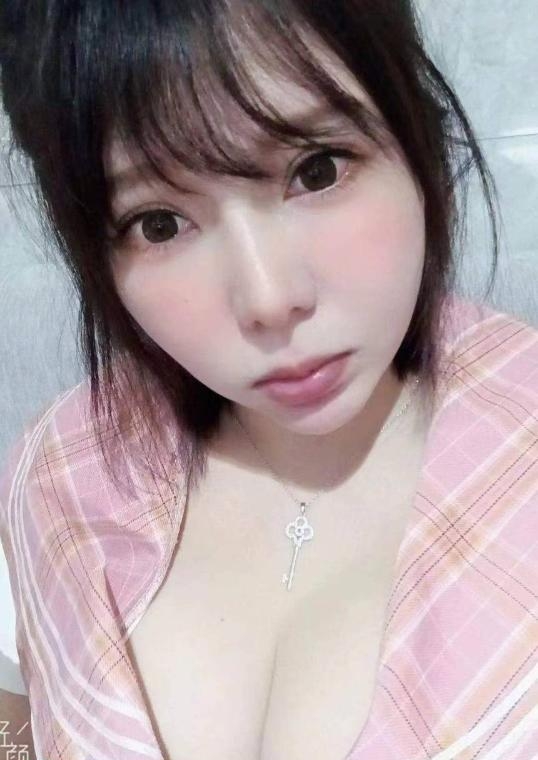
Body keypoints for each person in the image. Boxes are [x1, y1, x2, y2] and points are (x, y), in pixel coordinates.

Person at [0, 1, 537, 759]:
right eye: (159, 223)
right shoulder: (58, 468)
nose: (268, 299)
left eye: (317, 170)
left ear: (414, 132)